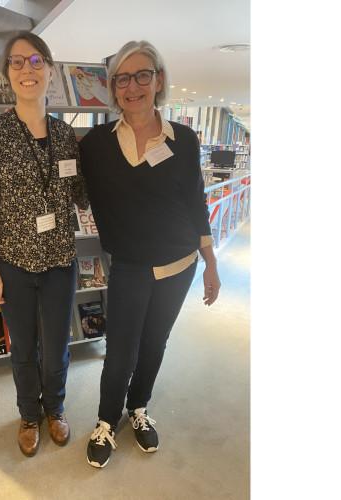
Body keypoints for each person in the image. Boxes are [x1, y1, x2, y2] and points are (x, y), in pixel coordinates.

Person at [79, 40, 222, 468]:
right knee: (121, 348)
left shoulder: (184, 139)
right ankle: (106, 421)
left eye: (143, 75)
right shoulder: (95, 144)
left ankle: (138, 409)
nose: (133, 86)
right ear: (114, 88)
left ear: (158, 80)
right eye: (123, 78)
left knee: (155, 343)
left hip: (180, 263)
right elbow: (72, 190)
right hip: (129, 265)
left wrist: (210, 260)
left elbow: (196, 202)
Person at [0, 32, 88, 457]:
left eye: (36, 61)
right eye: (17, 62)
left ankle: (54, 409)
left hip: (59, 260)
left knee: (57, 345)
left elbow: (84, 193)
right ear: (8, 75)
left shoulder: (66, 136)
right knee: (24, 347)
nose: (27, 69)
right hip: (13, 262)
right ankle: (28, 415)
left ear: (50, 71)